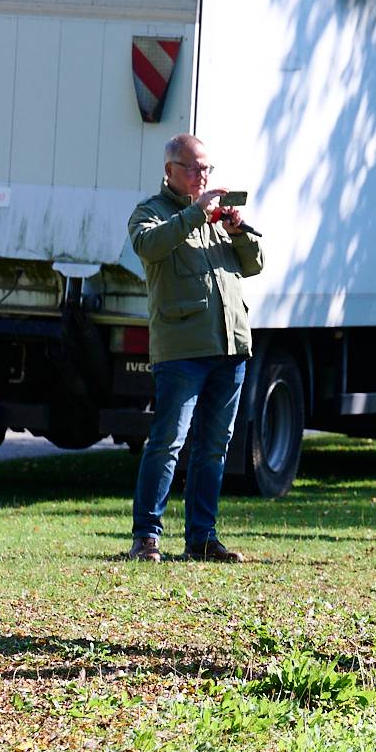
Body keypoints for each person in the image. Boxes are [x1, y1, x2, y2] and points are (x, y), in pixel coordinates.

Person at [124, 134, 262, 563]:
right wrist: (193, 215)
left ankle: (202, 538)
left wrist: (237, 231)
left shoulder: (216, 217)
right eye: (192, 168)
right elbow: (148, 246)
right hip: (182, 352)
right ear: (169, 171)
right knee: (167, 442)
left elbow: (254, 263)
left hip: (229, 348)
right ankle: (146, 537)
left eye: (206, 169)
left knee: (214, 447)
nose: (201, 176)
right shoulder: (151, 213)